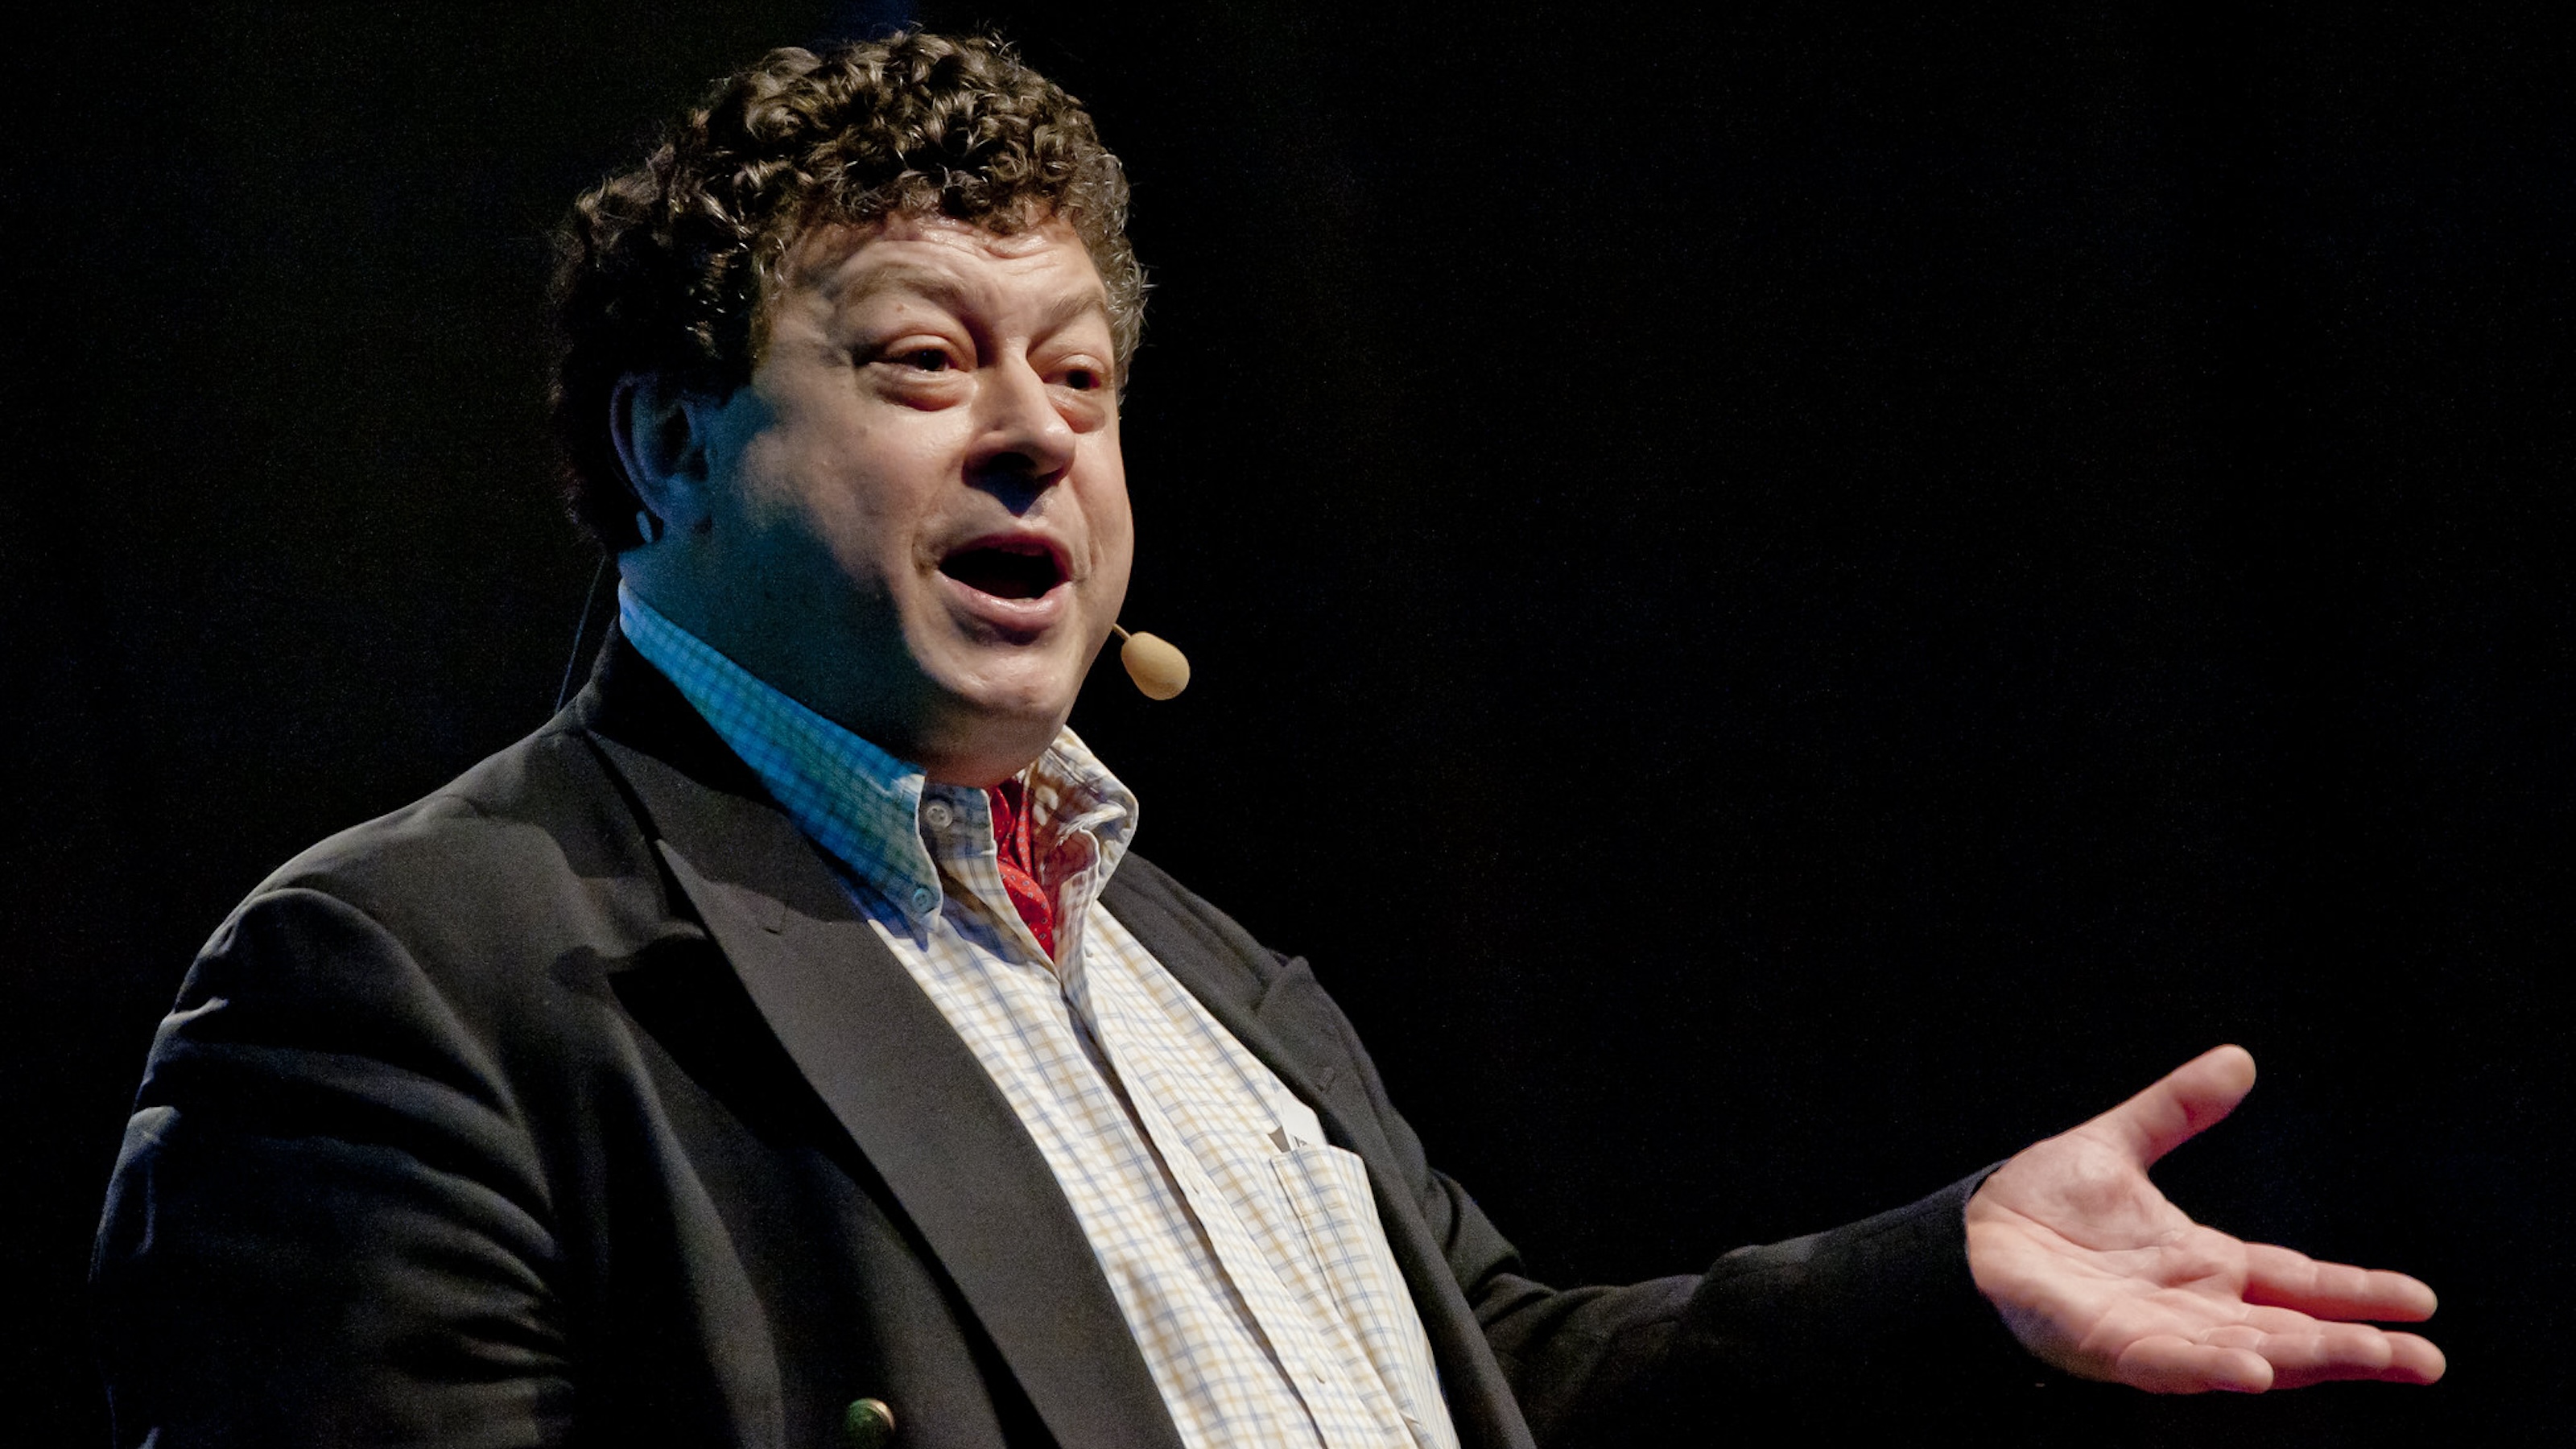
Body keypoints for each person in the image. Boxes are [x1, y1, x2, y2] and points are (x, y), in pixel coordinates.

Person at [91, 31, 2443, 1449]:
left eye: (1082, 380)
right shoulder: (422, 978)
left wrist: (1943, 1277)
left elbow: (1494, 1381)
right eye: (921, 363)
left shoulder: (1198, 968)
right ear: (668, 450)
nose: (1033, 442)